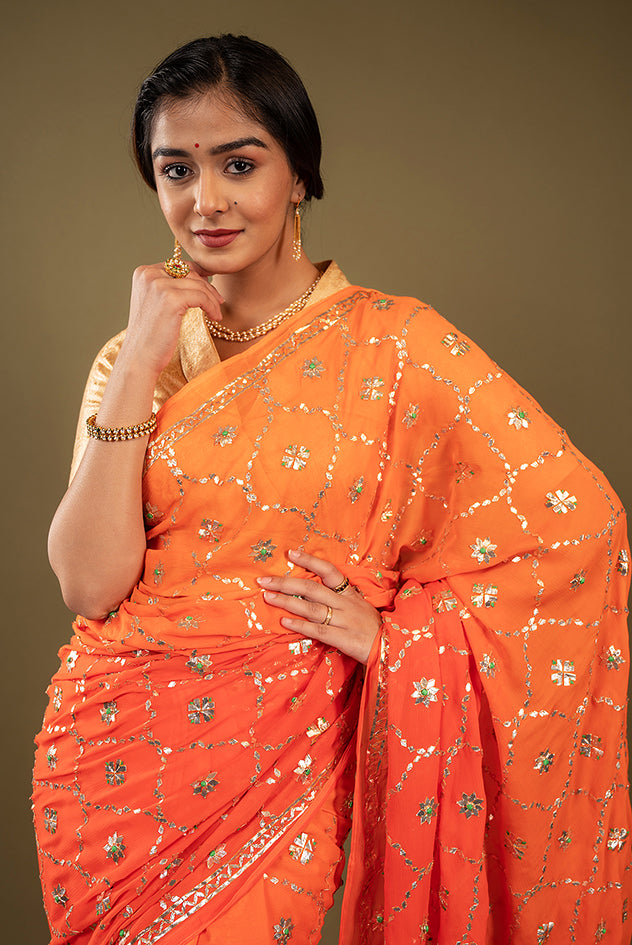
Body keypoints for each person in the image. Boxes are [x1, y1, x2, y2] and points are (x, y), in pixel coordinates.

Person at [32, 34, 631, 945]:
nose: (206, 199)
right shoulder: (130, 362)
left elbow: (574, 532)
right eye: (176, 169)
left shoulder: (395, 345)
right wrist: (139, 363)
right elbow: (88, 583)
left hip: (283, 766)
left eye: (239, 164)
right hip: (113, 767)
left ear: (299, 176)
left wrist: (400, 639)